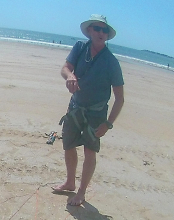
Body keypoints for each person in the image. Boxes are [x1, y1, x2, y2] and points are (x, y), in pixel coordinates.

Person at [52, 14, 125, 206]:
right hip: (75, 106)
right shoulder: (79, 47)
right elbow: (65, 68)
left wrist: (108, 123)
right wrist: (69, 75)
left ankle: (82, 192)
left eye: (104, 30)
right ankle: (69, 182)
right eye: (97, 28)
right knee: (68, 144)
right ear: (90, 31)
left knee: (89, 151)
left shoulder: (111, 62)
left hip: (96, 113)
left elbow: (120, 98)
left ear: (107, 35)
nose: (101, 33)